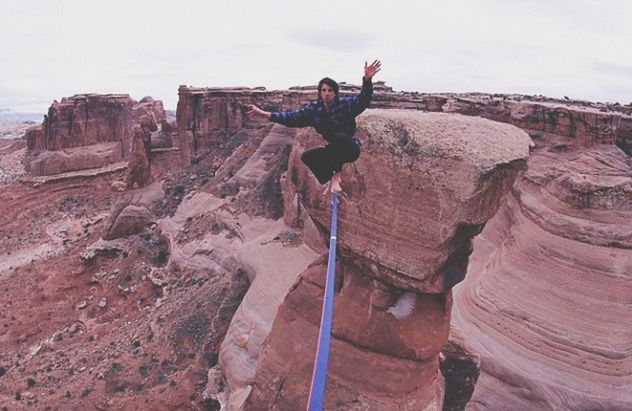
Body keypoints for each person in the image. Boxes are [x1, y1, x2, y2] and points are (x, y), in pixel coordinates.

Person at [247, 60, 381, 194]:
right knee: (307, 157)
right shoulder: (314, 110)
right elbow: (291, 118)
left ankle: (337, 175)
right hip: (333, 150)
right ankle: (330, 179)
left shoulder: (346, 105)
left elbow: (363, 100)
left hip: (350, 149)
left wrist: (367, 80)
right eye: (324, 90)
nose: (327, 93)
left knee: (340, 137)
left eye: (330, 90)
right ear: (320, 93)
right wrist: (264, 114)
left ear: (335, 93)